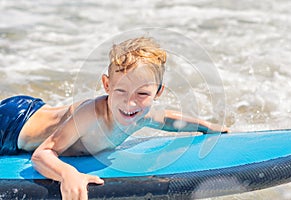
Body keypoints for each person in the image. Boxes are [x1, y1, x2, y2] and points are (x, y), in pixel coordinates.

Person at [0, 37, 228, 199]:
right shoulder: (92, 114)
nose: (130, 103)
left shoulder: (143, 114)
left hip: (39, 108)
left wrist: (207, 126)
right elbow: (42, 154)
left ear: (158, 92)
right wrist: (67, 174)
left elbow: (167, 119)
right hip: (12, 124)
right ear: (107, 85)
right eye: (120, 91)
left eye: (142, 94)